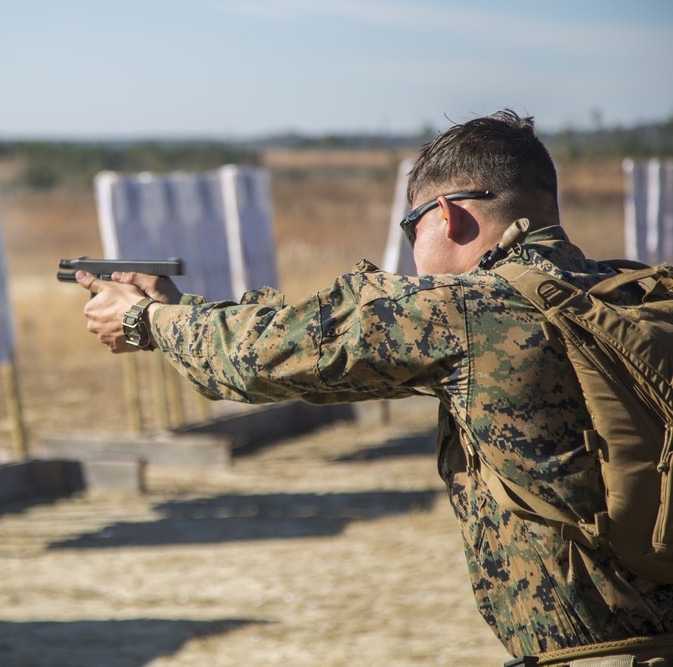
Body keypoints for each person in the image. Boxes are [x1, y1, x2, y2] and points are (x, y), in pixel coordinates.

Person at [76, 110, 673, 664]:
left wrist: (144, 320)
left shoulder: (465, 309)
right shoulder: (630, 295)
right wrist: (177, 310)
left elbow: (258, 358)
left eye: (411, 226)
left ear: (447, 215)